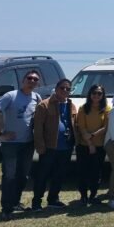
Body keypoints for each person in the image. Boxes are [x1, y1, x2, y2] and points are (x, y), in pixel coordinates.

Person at [0, 69, 42, 220]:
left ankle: (15, 202)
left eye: (35, 79)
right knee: (9, 176)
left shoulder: (36, 97)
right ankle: (6, 209)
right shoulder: (10, 96)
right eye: (29, 78)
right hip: (11, 144)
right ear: (22, 80)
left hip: (28, 143)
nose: (32, 81)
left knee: (23, 176)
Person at [30, 77, 76, 210]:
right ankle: (36, 202)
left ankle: (53, 199)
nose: (65, 90)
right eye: (62, 88)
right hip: (49, 147)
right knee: (42, 175)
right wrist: (40, 146)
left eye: (68, 89)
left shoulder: (71, 105)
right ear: (56, 89)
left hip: (66, 147)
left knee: (59, 175)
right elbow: (38, 128)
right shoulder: (44, 105)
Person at [74, 84, 109, 206]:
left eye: (99, 93)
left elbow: (105, 127)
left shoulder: (107, 109)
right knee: (82, 171)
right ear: (90, 94)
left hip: (99, 146)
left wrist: (93, 136)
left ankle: (93, 195)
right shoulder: (83, 108)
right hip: (83, 145)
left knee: (96, 172)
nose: (96, 95)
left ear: (103, 95)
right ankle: (83, 196)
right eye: (94, 93)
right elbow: (81, 127)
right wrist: (90, 144)